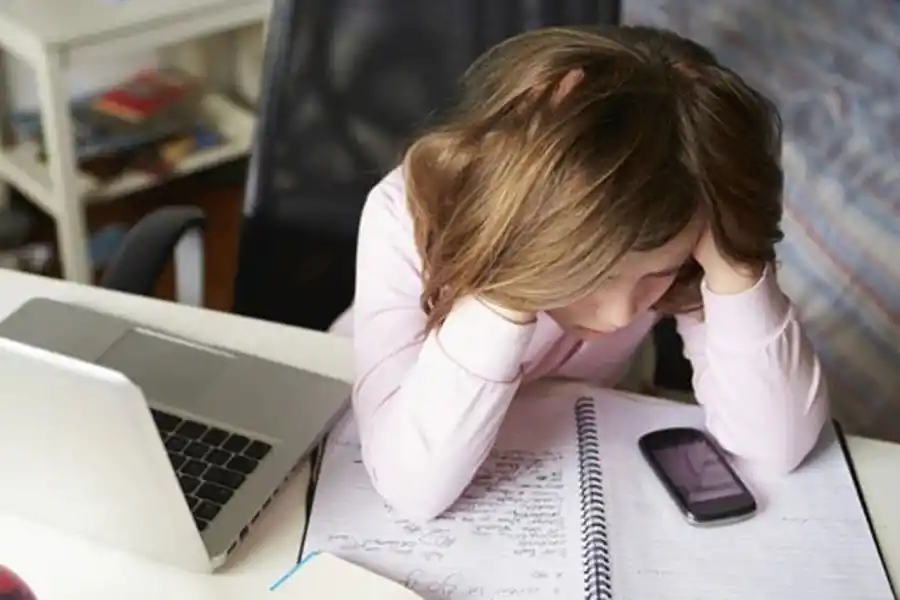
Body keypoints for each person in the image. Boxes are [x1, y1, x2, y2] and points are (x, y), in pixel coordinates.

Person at [348, 25, 829, 521]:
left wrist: (735, 261)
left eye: (658, 274)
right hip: (390, 413)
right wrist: (513, 277)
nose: (621, 316)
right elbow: (411, 489)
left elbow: (776, 446)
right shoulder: (403, 214)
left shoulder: (680, 219)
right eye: (594, 276)